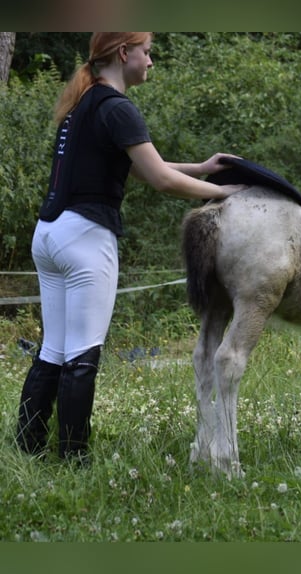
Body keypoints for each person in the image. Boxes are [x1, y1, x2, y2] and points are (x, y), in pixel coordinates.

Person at [15, 32, 243, 462]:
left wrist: (201, 168)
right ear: (124, 53)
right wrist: (226, 192)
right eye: (147, 52)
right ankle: (73, 459)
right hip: (85, 237)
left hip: (49, 235)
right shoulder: (118, 108)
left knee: (54, 348)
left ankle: (27, 447)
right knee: (82, 353)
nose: (151, 61)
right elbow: (160, 179)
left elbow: (137, 164)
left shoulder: (84, 102)